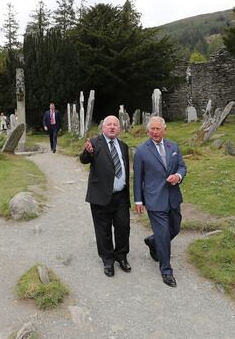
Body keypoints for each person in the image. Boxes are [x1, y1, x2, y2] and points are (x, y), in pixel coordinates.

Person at [133, 116, 187, 288]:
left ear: (164, 130)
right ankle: (166, 271)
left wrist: (178, 176)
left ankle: (153, 241)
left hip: (173, 197)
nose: (155, 132)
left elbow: (182, 167)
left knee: (175, 228)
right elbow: (137, 178)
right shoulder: (141, 151)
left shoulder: (173, 146)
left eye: (158, 129)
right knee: (164, 235)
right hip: (154, 199)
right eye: (152, 129)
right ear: (148, 131)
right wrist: (138, 200)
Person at [79, 116, 131, 278]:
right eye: (109, 124)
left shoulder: (123, 146)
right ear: (103, 127)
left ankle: (121, 256)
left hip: (121, 195)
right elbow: (84, 160)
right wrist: (87, 152)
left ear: (119, 128)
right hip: (101, 195)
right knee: (103, 230)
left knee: (123, 227)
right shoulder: (94, 143)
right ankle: (107, 260)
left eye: (115, 125)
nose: (112, 127)